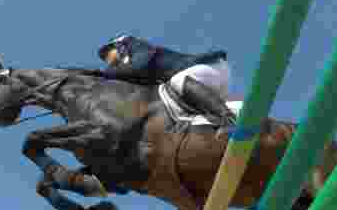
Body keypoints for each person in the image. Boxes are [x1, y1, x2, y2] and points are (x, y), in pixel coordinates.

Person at [95, 35, 236, 137]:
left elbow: (140, 64)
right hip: (201, 87)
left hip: (209, 69)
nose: (107, 60)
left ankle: (228, 119)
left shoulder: (138, 48)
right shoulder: (131, 70)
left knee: (177, 81)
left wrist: (106, 74)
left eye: (107, 53)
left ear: (119, 46)